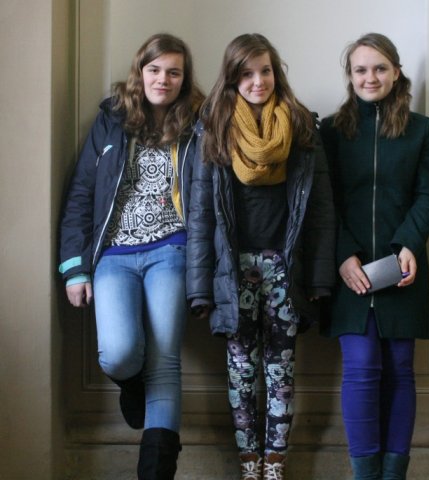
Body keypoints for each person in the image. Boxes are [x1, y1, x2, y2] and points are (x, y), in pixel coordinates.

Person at [186, 33, 335, 480]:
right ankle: (249, 464)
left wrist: (320, 279)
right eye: (247, 73)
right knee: (241, 372)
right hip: (233, 273)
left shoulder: (301, 125)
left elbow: (321, 209)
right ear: (232, 78)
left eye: (265, 71)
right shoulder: (213, 127)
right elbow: (201, 214)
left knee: (280, 373)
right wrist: (199, 288)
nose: (258, 81)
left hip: (285, 270)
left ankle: (274, 465)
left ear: (276, 73)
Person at [58, 33, 204, 480]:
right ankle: (131, 384)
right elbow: (81, 194)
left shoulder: (199, 123)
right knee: (119, 355)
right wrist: (74, 269)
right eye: (155, 69)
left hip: (172, 252)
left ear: (184, 78)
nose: (163, 79)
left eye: (174, 72)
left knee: (165, 362)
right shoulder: (112, 119)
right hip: (113, 255)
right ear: (141, 72)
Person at [319, 33, 429, 480]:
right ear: (350, 76)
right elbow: (324, 201)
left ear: (396, 72)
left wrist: (409, 243)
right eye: (360, 69)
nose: (370, 77)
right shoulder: (330, 132)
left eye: (379, 68)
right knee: (360, 368)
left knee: (399, 369)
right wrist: (343, 255)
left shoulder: (421, 130)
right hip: (349, 272)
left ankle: (394, 475)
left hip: (403, 267)